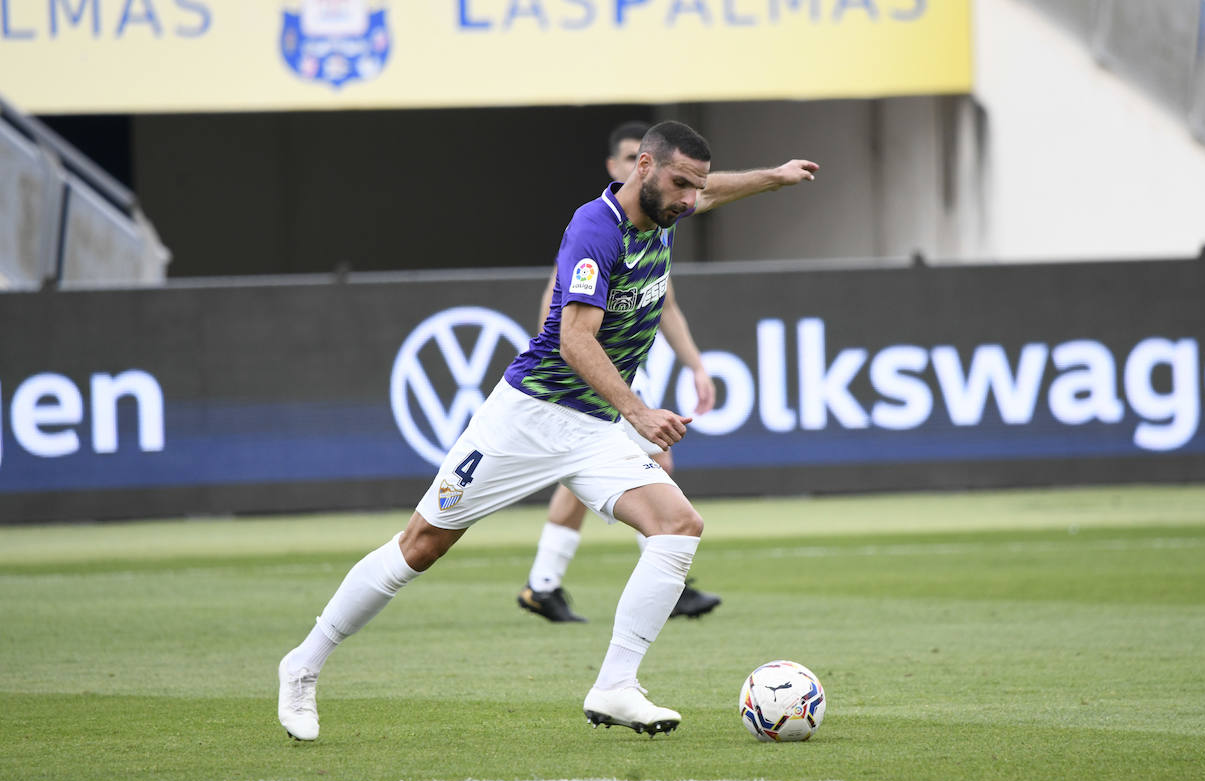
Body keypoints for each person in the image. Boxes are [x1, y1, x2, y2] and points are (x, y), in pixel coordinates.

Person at [277, 121, 818, 740]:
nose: (690, 200)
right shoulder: (595, 230)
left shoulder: (667, 206)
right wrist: (639, 411)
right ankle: (303, 665)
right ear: (640, 166)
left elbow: (712, 189)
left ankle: (616, 685)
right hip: (528, 417)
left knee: (678, 526)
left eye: (694, 188)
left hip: (592, 428)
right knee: (420, 546)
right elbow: (572, 339)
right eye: (679, 184)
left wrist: (773, 179)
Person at [517, 121, 721, 623]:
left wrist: (696, 365)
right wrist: (573, 365)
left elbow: (666, 303)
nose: (636, 165)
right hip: (594, 373)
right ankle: (666, 579)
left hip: (627, 371)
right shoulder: (598, 228)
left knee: (593, 473)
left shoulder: (662, 221)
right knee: (648, 469)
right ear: (620, 167)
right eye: (629, 158)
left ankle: (544, 583)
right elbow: (560, 313)